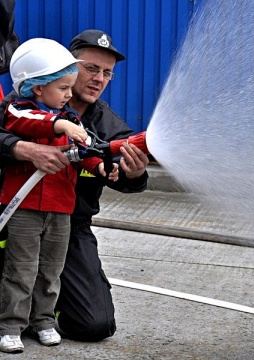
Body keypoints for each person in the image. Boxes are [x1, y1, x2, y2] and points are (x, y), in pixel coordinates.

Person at [0, 38, 119, 353]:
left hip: (61, 209)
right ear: (37, 87)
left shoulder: (72, 119)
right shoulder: (19, 109)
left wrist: (103, 167)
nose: (69, 94)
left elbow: (84, 151)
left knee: (51, 268)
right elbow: (25, 123)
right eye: (63, 88)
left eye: (69, 87)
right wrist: (59, 124)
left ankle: (43, 322)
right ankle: (11, 326)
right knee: (21, 267)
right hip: (24, 208)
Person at [53, 29, 149, 342]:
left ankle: (53, 303)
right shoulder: (35, 104)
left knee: (95, 325)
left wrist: (133, 175)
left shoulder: (111, 127)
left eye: (107, 73)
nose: (99, 78)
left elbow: (125, 178)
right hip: (18, 224)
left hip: (71, 228)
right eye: (91, 68)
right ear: (68, 67)